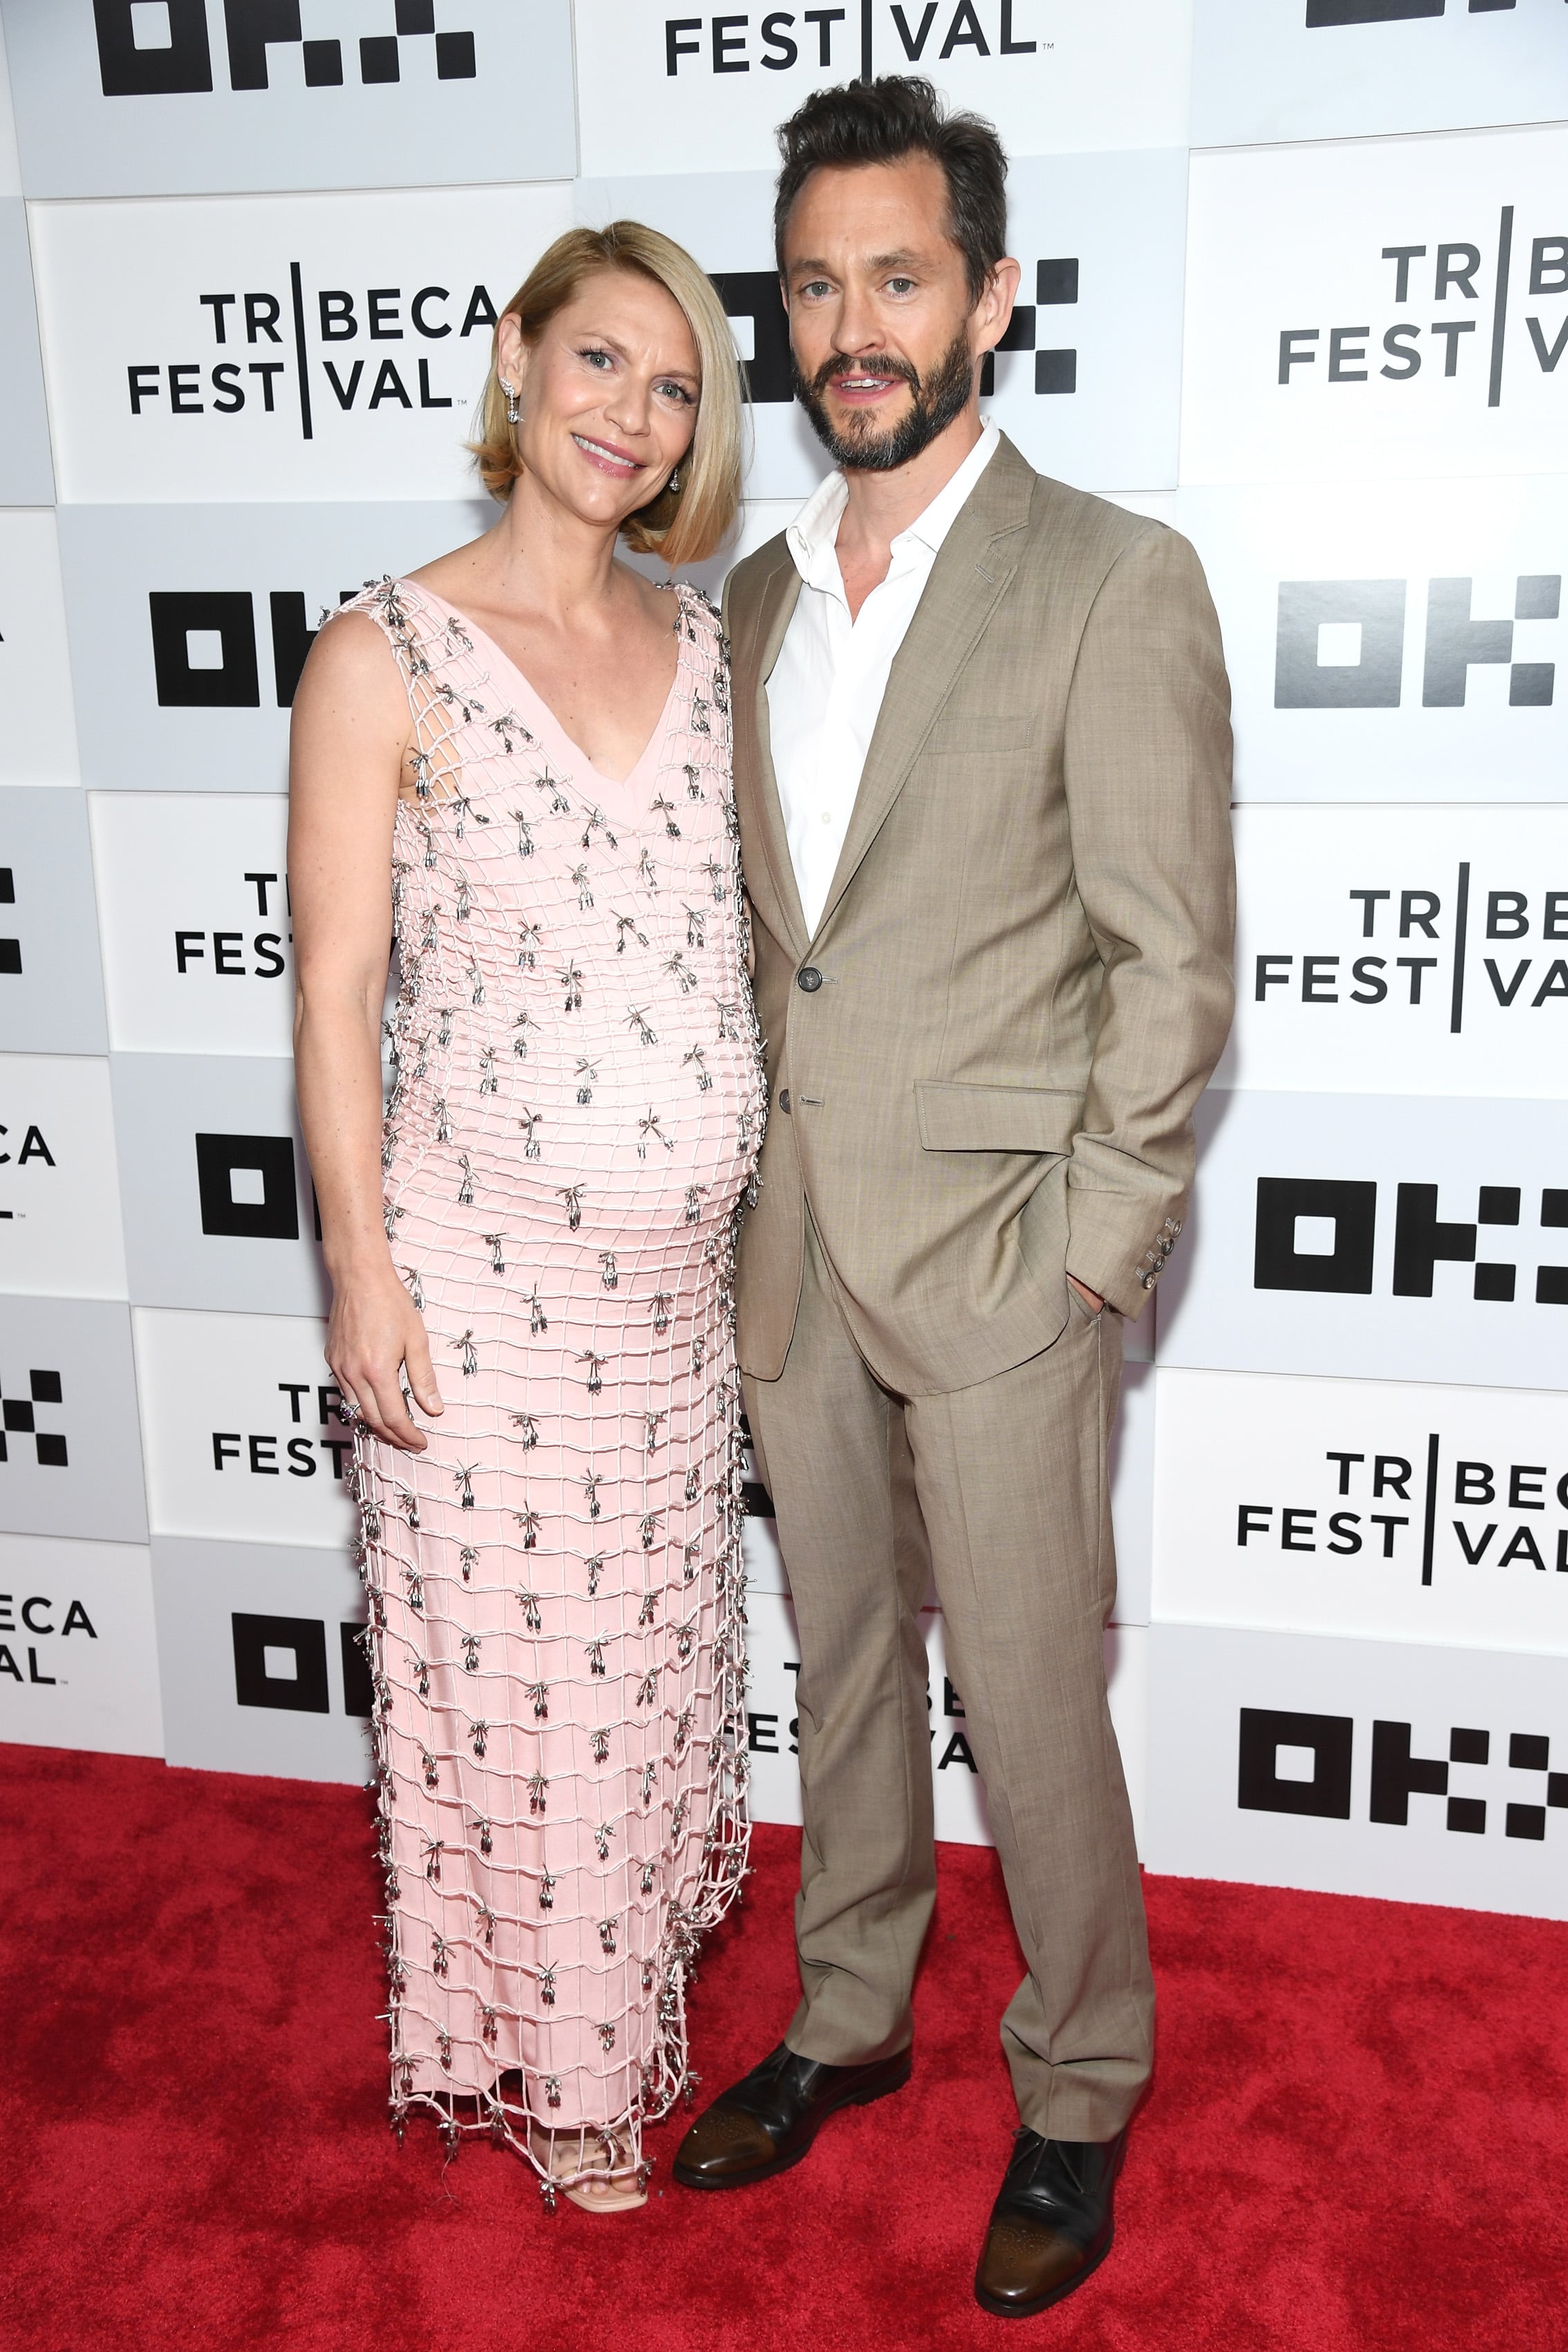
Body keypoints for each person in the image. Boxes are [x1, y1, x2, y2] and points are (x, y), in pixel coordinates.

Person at [672, 78, 1235, 2317]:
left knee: (1022, 1686)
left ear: (992, 295)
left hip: (1006, 1264)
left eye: (899, 277)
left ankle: (1080, 2082)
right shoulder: (743, 602)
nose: (854, 326)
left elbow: (1169, 959)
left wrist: (1093, 1263)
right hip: (789, 1251)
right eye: (815, 284)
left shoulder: (1112, 575)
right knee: (829, 1675)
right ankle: (847, 2017)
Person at [288, 222, 762, 2215]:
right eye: (597, 364)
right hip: (479, 1284)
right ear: (513, 361)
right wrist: (362, 1270)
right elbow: (328, 997)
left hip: (672, 1306)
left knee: (645, 1673)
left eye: (670, 388)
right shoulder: (376, 654)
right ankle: (566, 2084)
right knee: (520, 1683)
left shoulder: (711, 644)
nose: (629, 417)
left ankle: (614, 1999)